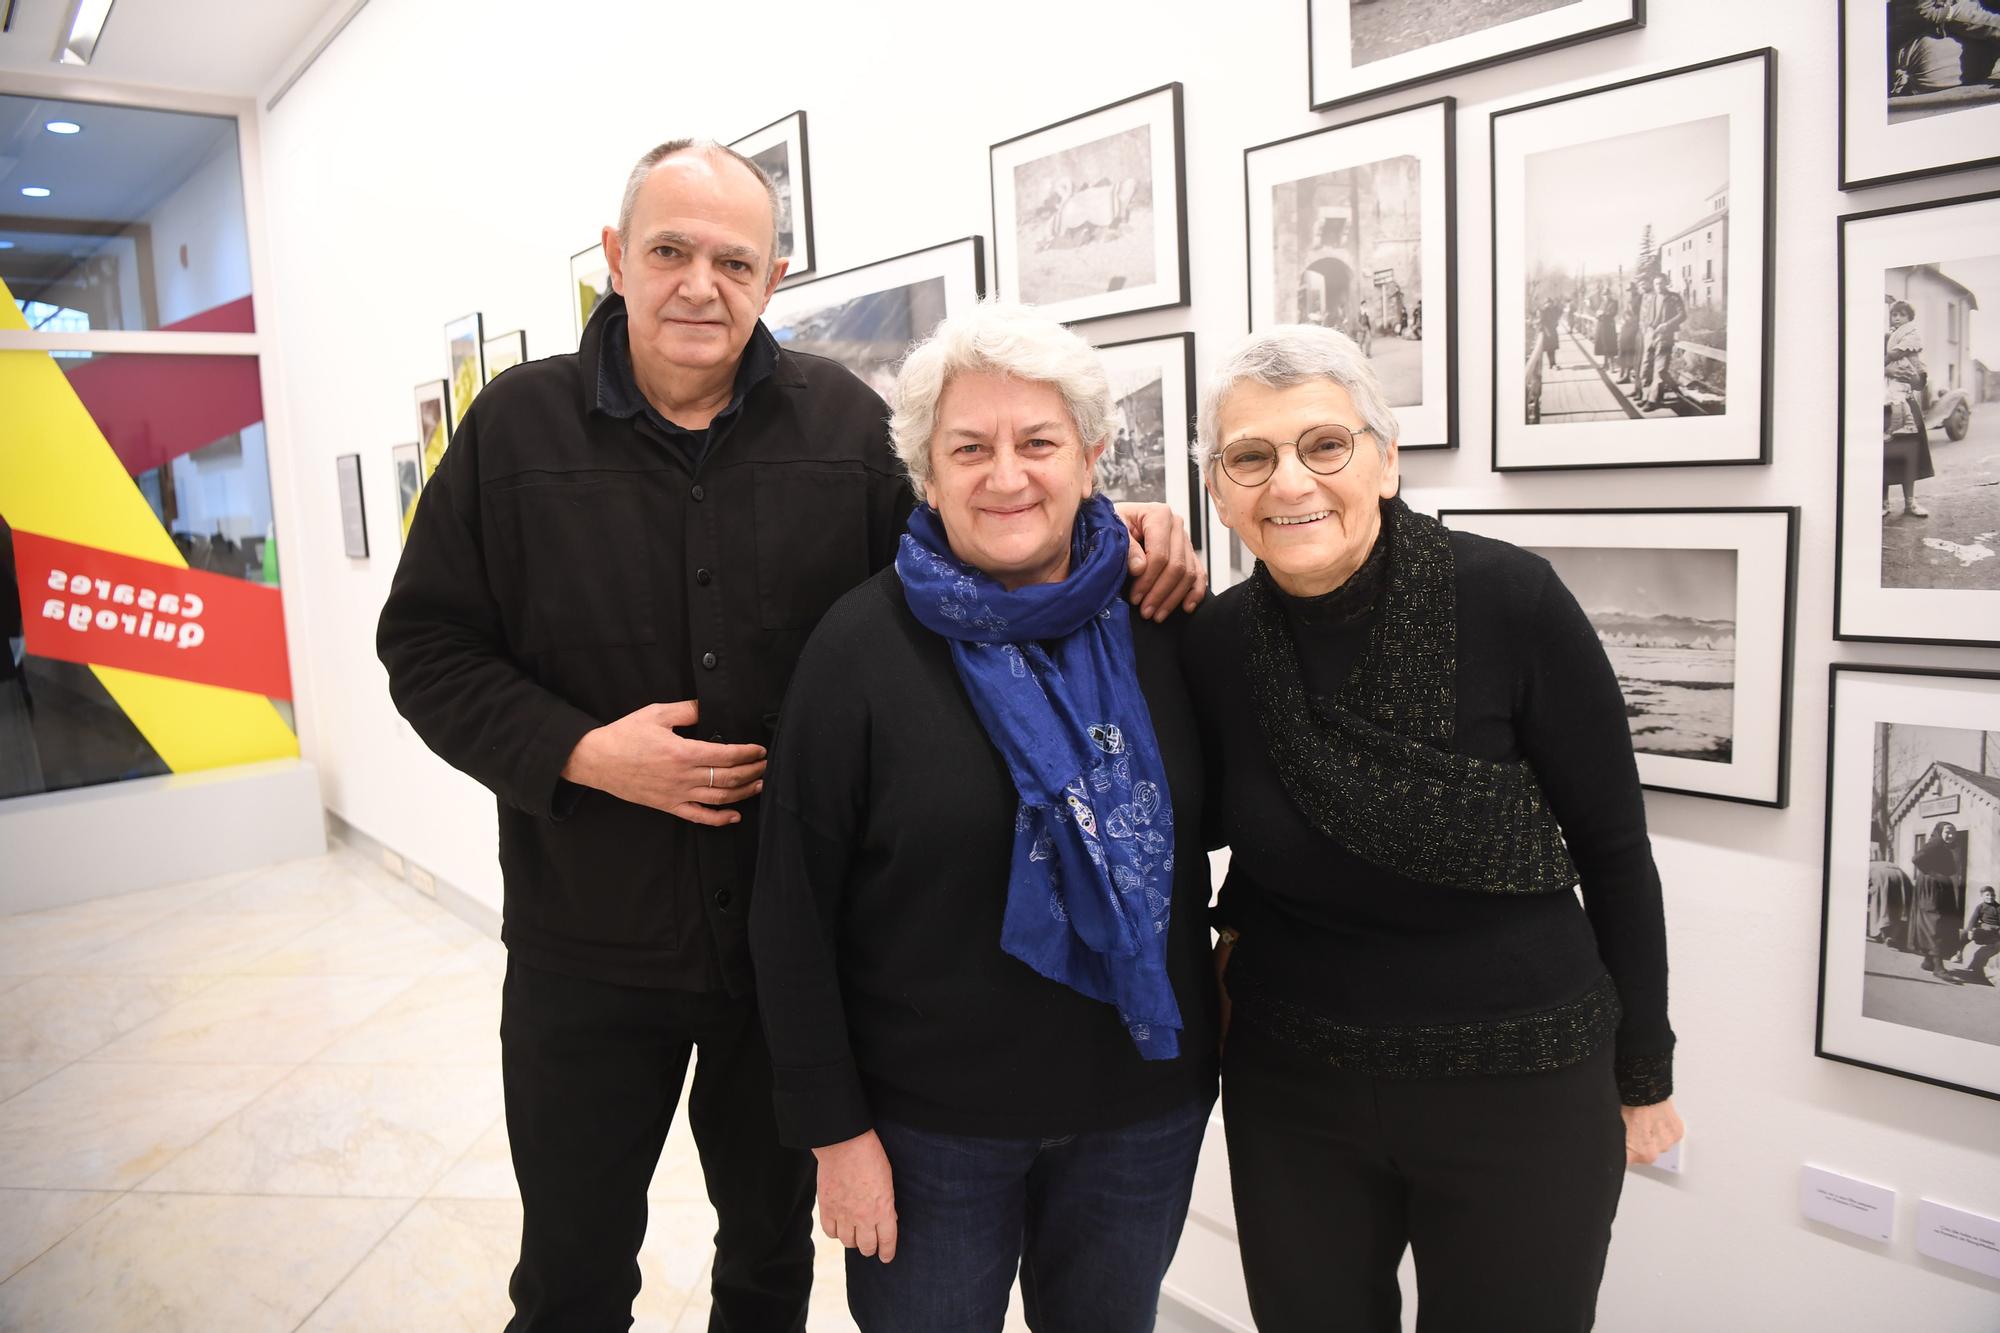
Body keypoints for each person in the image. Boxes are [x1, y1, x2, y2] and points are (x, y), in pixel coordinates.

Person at [376, 141, 1203, 1332]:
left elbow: (961, 546)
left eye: (732, 259)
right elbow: (428, 647)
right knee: (571, 1266)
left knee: (766, 1262)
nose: (698, 285)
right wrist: (579, 750)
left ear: (773, 275)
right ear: (616, 260)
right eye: (667, 252)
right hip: (589, 942)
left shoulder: (840, 422)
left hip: (786, 963)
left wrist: (1109, 529)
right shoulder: (514, 431)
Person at [1183, 324, 1682, 1332]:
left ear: (1385, 457)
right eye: (1250, 456)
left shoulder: (1507, 599)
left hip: (1521, 1082)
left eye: (1323, 444)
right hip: (1296, 1089)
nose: (1289, 482)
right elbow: (1203, 836)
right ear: (1219, 488)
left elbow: (1612, 849)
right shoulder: (1212, 643)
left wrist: (1645, 1069)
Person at [750, 303, 1218, 1332]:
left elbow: (1246, 830)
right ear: (926, 471)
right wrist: (836, 1137)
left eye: (1038, 442)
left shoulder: (1163, 620)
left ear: (1090, 459)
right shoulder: (859, 649)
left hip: (1138, 1113)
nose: (1006, 475)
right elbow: (789, 913)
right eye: (969, 447)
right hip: (928, 1134)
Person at [1883, 299, 1933, 519]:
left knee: (1909, 452)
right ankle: (1883, 503)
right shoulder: (1884, 339)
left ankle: (1910, 502)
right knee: (1883, 454)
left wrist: (1914, 376)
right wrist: (1889, 371)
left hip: (1906, 400)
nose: (1896, 319)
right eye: (1893, 314)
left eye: (1901, 315)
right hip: (1884, 401)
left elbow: (1919, 381)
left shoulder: (1910, 339)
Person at [1911, 824, 1966, 982]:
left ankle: (1928, 961)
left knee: (1937, 922)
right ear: (1939, 832)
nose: (1951, 835)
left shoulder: (1944, 847)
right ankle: (1938, 966)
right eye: (1948, 832)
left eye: (1953, 833)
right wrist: (1935, 874)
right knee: (1935, 922)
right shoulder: (1934, 844)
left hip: (1940, 887)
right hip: (1932, 887)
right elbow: (1916, 859)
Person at [1637, 272, 1687, 410]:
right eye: (1655, 284)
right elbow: (1644, 314)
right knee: (1645, 368)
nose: (1658, 286)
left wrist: (1667, 325)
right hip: (1650, 335)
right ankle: (1647, 396)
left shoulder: (1673, 298)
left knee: (1659, 370)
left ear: (1666, 283)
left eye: (1660, 283)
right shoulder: (1650, 297)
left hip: (1665, 337)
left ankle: (1653, 401)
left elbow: (1682, 315)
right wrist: (1645, 328)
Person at [1963, 886, 2000, 984]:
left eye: (1992, 895)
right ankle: (1959, 953)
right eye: (1987, 895)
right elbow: (1973, 919)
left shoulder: (1998, 907)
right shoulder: (1980, 907)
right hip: (1985, 927)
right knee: (1972, 934)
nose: (1990, 897)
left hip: (1996, 928)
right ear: (1982, 896)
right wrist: (1969, 930)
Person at [1616, 281, 1644, 387]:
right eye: (1628, 290)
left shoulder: (1640, 298)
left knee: (1631, 350)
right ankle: (1624, 374)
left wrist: (1634, 319)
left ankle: (1630, 375)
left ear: (1635, 289)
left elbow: (1641, 313)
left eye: (1632, 290)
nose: (1630, 292)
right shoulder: (1628, 299)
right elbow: (1624, 312)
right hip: (1626, 325)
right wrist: (1623, 318)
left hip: (1635, 326)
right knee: (1623, 348)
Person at [1593, 288, 1619, 369]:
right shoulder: (1602, 303)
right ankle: (1605, 364)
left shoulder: (1614, 302)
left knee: (1609, 344)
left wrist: (1603, 313)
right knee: (1603, 344)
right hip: (1601, 325)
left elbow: (1613, 312)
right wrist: (1597, 314)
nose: (1606, 296)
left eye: (1607, 294)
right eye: (1604, 295)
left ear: (1610, 294)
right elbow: (1597, 313)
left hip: (1609, 326)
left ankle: (1611, 365)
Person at [1537, 296, 1562, 370]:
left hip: (1553, 330)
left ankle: (1553, 363)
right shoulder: (1543, 311)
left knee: (1553, 348)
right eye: (1548, 303)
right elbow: (1543, 322)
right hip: (1547, 331)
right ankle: (1551, 364)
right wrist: (1547, 332)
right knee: (1549, 349)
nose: (1549, 304)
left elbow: (1559, 311)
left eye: (1550, 303)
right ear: (1545, 303)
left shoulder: (1553, 310)